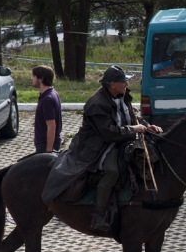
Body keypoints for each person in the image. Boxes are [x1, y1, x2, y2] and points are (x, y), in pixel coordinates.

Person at [41, 65, 163, 231]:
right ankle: (99, 215)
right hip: (96, 147)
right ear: (113, 84)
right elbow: (109, 134)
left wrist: (148, 126)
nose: (127, 84)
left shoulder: (122, 95)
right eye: (123, 81)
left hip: (119, 140)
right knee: (112, 170)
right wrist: (134, 130)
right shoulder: (97, 104)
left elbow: (133, 116)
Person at [32, 65, 62, 153]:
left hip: (45, 146)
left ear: (41, 79)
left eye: (34, 76)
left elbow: (51, 126)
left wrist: (49, 151)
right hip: (43, 143)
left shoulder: (47, 99)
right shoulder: (52, 93)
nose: (32, 79)